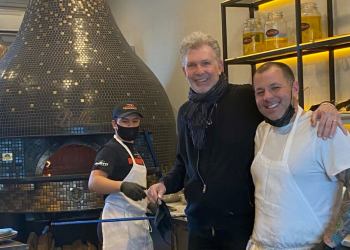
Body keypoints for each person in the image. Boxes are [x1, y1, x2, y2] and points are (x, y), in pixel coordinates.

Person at [147, 31, 345, 250]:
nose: (199, 71)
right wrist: (164, 183)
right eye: (192, 65)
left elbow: (281, 106)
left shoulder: (244, 98)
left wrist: (326, 107)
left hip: (240, 227)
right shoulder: (185, 113)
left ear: (220, 66)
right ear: (184, 71)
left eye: (206, 63)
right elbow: (183, 163)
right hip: (199, 224)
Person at [247, 62, 350, 249]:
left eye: (275, 87)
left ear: (294, 88)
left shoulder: (323, 128)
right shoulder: (262, 131)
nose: (267, 97)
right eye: (259, 92)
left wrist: (332, 240)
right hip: (260, 244)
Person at [88, 102, 153, 250]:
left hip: (137, 222)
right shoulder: (110, 150)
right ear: (114, 124)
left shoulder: (133, 150)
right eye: (125, 121)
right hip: (118, 224)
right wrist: (121, 186)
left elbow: (136, 187)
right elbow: (94, 182)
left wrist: (149, 203)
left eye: (134, 121)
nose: (130, 126)